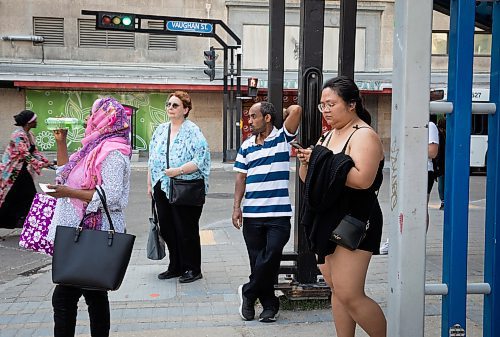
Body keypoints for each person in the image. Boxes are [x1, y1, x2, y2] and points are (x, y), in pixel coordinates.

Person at [297, 76, 386, 337]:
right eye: (322, 106)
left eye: (331, 104)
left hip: (355, 221)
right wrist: (308, 163)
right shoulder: (328, 135)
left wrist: (321, 160)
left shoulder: (364, 135)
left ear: (351, 104)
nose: (325, 111)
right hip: (327, 219)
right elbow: (310, 179)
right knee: (337, 290)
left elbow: (362, 180)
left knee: (351, 294)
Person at [46, 97, 132, 337]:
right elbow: (65, 173)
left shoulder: (113, 152)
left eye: (92, 114)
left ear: (105, 119)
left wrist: (68, 192)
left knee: (68, 297)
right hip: (82, 232)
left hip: (94, 232)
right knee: (92, 295)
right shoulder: (92, 148)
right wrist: (61, 143)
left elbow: (111, 195)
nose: (88, 119)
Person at [232, 102, 302, 323]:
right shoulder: (246, 145)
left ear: (267, 118)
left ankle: (248, 291)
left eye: (253, 116)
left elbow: (297, 109)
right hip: (252, 216)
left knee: (271, 255)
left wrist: (276, 112)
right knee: (259, 262)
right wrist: (236, 208)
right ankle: (270, 305)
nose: (249, 121)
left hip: (278, 216)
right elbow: (240, 179)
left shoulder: (282, 139)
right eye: (249, 117)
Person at [147, 91, 210, 284]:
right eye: (168, 104)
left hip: (185, 185)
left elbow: (201, 159)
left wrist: (179, 171)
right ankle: (175, 266)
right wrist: (150, 183)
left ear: (186, 109)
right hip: (161, 184)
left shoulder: (192, 130)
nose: (170, 108)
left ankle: (192, 268)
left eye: (175, 105)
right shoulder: (161, 129)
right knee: (167, 228)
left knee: (186, 229)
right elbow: (152, 158)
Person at [0, 110, 51, 229]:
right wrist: (40, 164)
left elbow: (35, 151)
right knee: (28, 194)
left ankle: (19, 221)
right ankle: (30, 222)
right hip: (12, 170)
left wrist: (46, 161)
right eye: (35, 120)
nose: (36, 122)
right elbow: (25, 154)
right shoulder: (18, 135)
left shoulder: (30, 135)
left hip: (21, 169)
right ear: (29, 122)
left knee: (15, 195)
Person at [435, 117, 446, 210]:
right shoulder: (441, 134)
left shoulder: (440, 134)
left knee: (441, 183)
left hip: (441, 163)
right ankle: (443, 201)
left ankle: (443, 201)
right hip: (442, 163)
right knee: (442, 182)